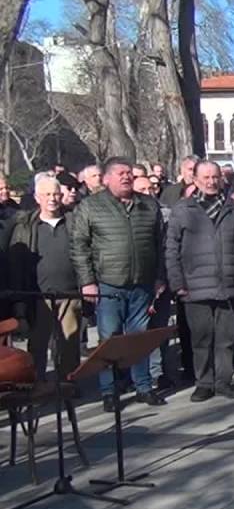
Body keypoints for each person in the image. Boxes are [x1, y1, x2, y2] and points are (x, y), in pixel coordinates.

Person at [71, 157, 167, 411]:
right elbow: (80, 247)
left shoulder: (148, 205)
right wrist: (87, 282)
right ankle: (109, 391)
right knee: (109, 339)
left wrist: (159, 277)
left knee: (139, 339)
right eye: (120, 173)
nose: (126, 177)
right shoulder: (91, 207)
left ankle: (143, 387)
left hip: (142, 284)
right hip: (108, 285)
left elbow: (160, 245)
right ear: (106, 179)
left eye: (129, 173)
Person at [165, 161, 234, 402]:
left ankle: (224, 381)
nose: (211, 181)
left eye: (215, 177)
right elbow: (171, 248)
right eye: (206, 177)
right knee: (201, 338)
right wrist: (177, 281)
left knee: (227, 337)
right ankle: (203, 382)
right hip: (195, 284)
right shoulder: (183, 209)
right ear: (195, 179)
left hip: (228, 283)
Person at [8, 175, 82, 389]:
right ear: (37, 197)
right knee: (38, 345)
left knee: (69, 344)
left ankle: (68, 384)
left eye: (56, 194)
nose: (52, 198)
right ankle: (37, 384)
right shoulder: (26, 226)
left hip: (69, 295)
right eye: (47, 194)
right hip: (38, 297)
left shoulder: (73, 222)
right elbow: (17, 264)